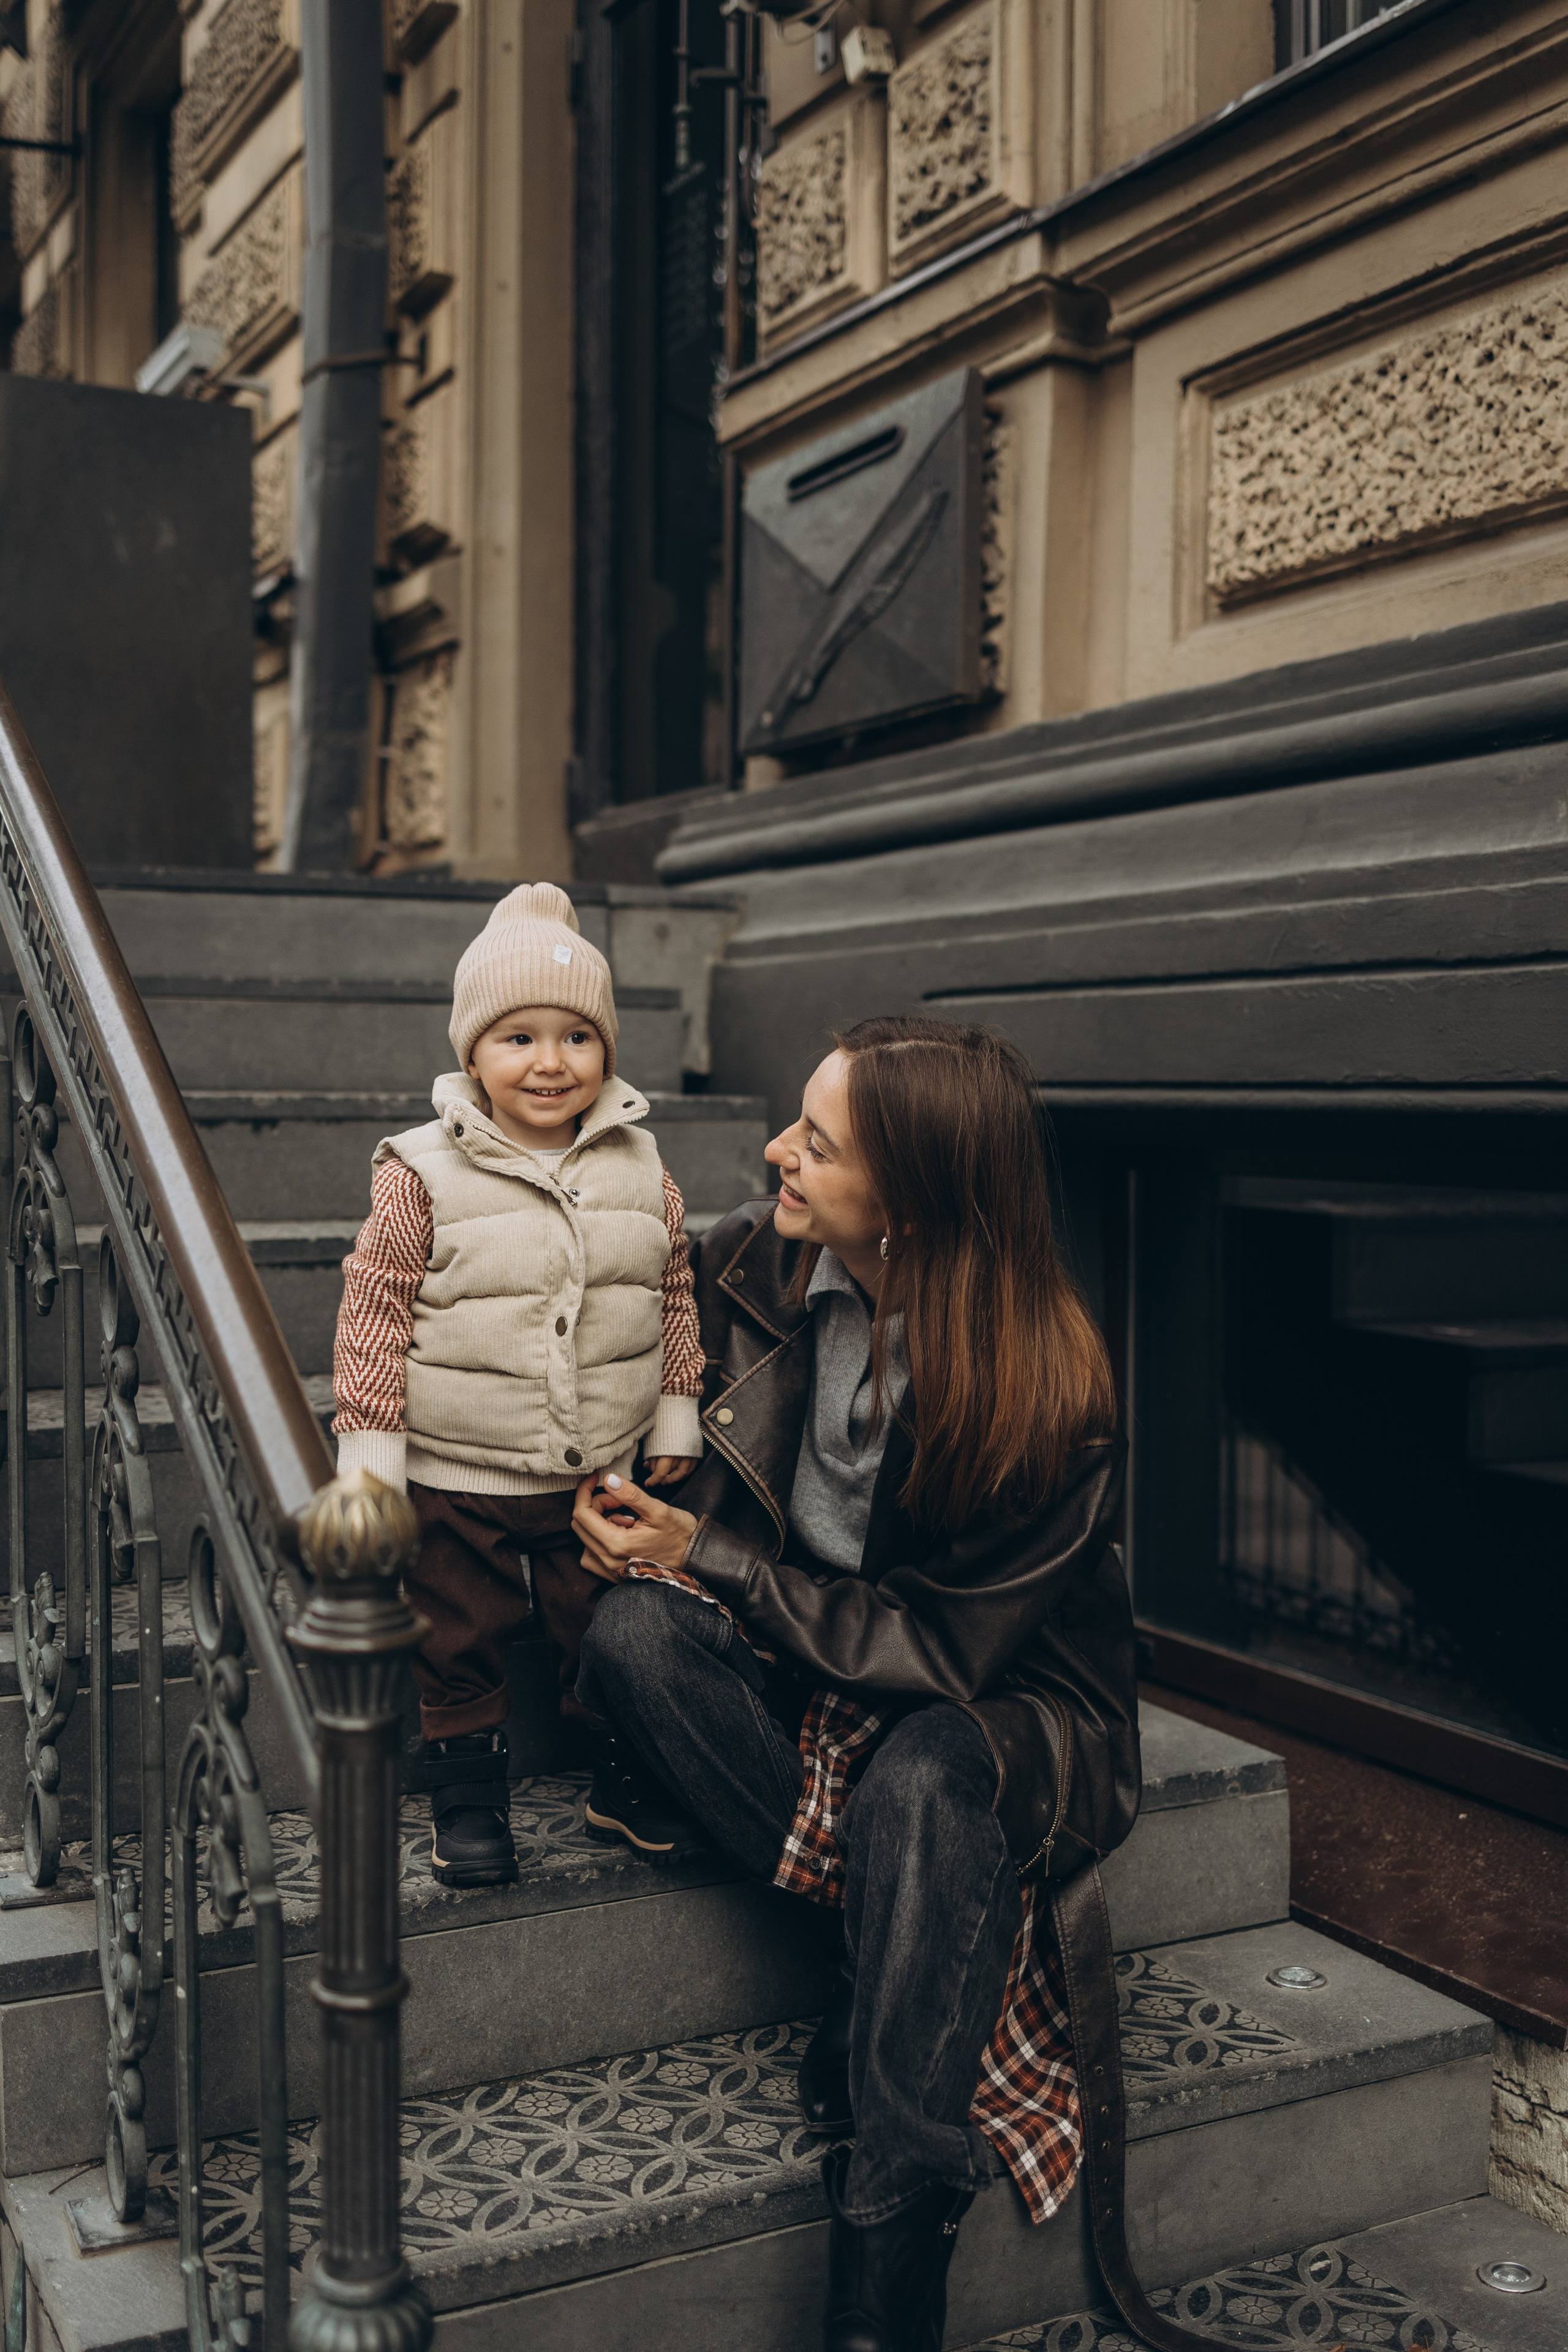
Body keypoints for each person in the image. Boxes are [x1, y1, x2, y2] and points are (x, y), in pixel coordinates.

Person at [570, 1015, 1212, 2352]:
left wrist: (722, 1563)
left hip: (1007, 1708)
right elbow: (589, 1340)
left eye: (817, 1142)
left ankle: (892, 2228)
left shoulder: (1050, 1385)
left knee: (919, 1780)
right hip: (812, 1652)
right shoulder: (745, 1265)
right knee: (633, 1638)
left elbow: (943, 1657)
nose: (774, 1153)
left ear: (913, 1201)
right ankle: (891, 1974)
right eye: (794, 1123)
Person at [331, 881, 703, 1887]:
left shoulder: (644, 1164)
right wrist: (372, 1451)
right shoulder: (421, 1169)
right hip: (460, 1468)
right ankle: (467, 1792)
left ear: (607, 1051)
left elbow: (673, 1289)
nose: (550, 1062)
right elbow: (375, 1305)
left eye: (578, 1037)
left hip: (599, 1467)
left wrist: (677, 1409)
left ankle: (622, 1773)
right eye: (519, 1038)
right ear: (473, 1054)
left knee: (611, 1629)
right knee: (458, 1636)